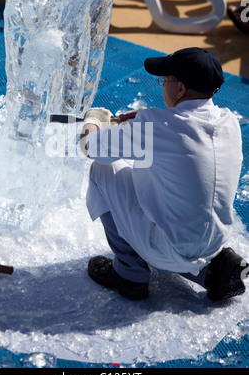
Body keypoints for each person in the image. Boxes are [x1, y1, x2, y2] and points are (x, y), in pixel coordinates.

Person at [80, 47, 249, 302]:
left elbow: (92, 149)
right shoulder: (229, 122)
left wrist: (91, 121)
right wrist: (145, 120)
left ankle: (129, 273)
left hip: (169, 248)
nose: (162, 87)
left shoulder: (157, 127)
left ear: (180, 89)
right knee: (180, 207)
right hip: (214, 242)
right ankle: (210, 271)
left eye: (165, 81)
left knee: (103, 170)